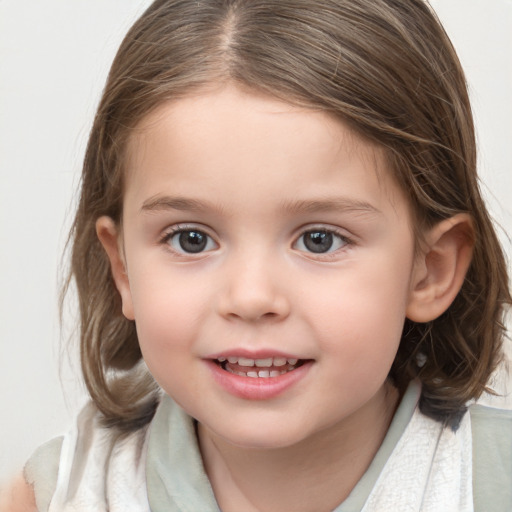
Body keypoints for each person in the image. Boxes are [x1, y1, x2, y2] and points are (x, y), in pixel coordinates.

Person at [3, 0, 511, 510]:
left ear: (430, 270)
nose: (250, 297)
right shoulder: (57, 494)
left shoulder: (491, 482)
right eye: (191, 239)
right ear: (124, 269)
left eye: (319, 239)